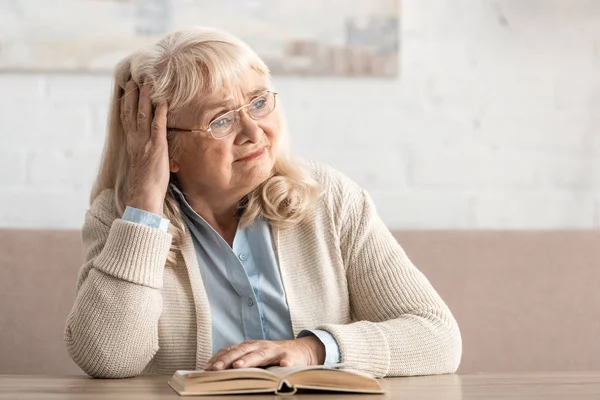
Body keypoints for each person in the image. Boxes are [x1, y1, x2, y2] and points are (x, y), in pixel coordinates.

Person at [64, 27, 462, 379]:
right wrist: (144, 208)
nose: (254, 132)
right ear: (166, 146)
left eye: (257, 103)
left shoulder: (331, 199)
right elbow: (108, 360)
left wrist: (312, 349)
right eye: (221, 119)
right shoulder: (119, 218)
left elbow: (437, 336)